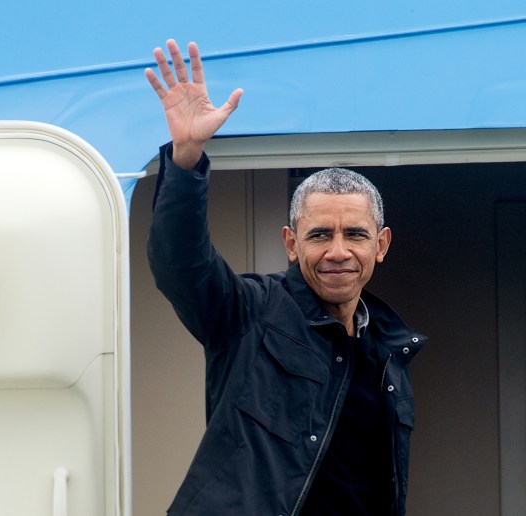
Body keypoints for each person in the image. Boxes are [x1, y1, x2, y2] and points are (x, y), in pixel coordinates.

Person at [145, 39, 426, 515]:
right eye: (320, 235)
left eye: (354, 234)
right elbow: (181, 264)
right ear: (292, 244)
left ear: (380, 245)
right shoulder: (249, 313)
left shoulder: (390, 353)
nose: (338, 251)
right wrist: (186, 158)